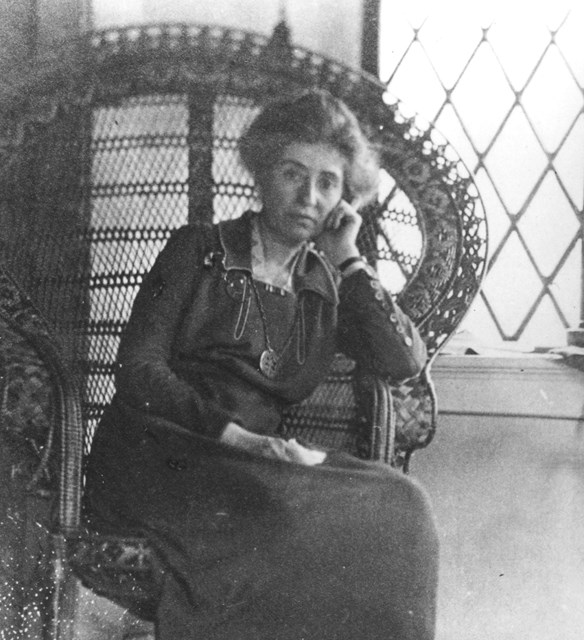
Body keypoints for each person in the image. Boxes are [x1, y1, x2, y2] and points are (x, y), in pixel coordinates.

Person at [84, 89, 438, 640]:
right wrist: (241, 441)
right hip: (161, 452)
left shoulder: (326, 284)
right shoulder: (195, 250)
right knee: (286, 519)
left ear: (345, 198)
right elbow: (138, 372)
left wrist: (347, 255)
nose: (309, 197)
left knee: (403, 506)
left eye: (328, 183)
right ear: (261, 173)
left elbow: (402, 360)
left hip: (258, 468)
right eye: (293, 174)